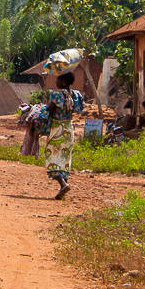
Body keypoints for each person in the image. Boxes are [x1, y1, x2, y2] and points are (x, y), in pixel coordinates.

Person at [20, 72, 85, 200]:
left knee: (52, 157)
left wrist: (35, 110)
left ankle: (63, 184)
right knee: (65, 158)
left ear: (64, 82)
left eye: (58, 80)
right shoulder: (76, 95)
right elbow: (79, 109)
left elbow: (48, 112)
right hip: (69, 129)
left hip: (57, 129)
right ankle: (62, 188)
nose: (56, 82)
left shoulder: (56, 95)